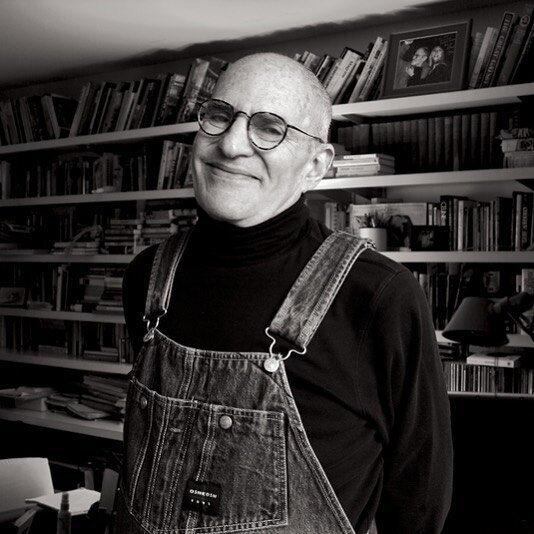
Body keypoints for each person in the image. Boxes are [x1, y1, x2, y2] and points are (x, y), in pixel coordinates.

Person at [116, 52, 453, 534]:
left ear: (316, 165)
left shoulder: (378, 296)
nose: (231, 144)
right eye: (218, 115)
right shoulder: (148, 277)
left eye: (269, 128)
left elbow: (420, 504)